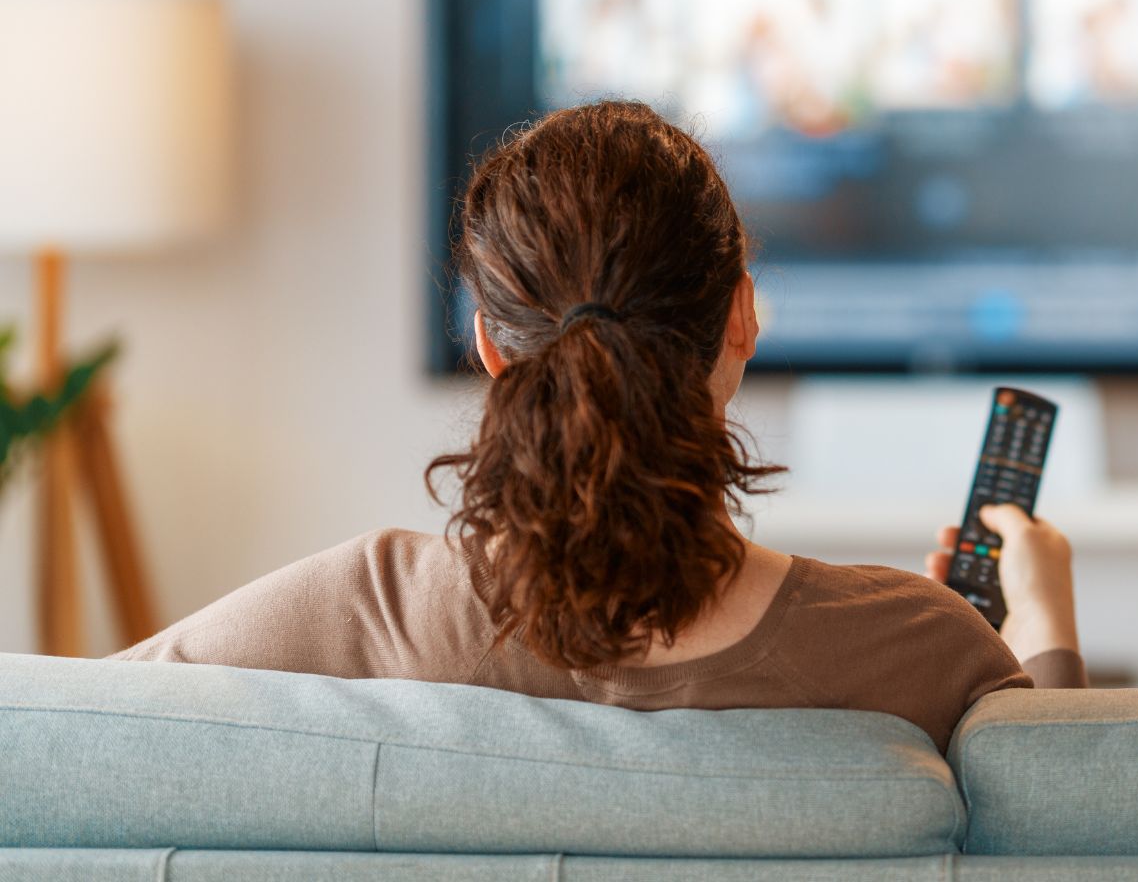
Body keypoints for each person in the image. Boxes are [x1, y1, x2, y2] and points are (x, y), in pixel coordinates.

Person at [111, 101, 1085, 752]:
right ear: (742, 316)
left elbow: (65, 730)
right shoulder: (918, 646)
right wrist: (1041, 630)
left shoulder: (367, 611)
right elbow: (1066, 821)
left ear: (491, 348)